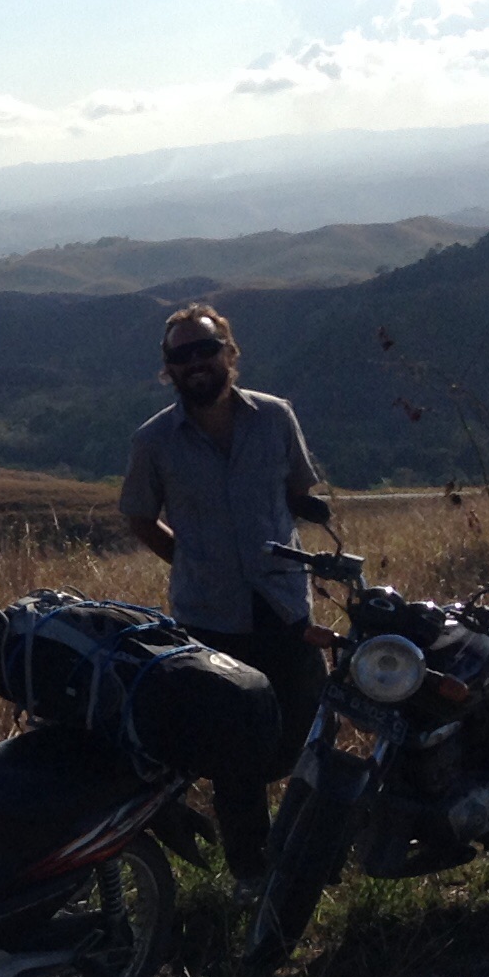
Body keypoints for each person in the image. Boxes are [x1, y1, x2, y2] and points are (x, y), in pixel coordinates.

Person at [117, 304, 328, 902]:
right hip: (210, 619)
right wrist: (190, 562)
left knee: (309, 731)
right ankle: (251, 873)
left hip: (284, 607)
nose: (195, 363)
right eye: (181, 355)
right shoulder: (154, 441)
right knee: (235, 752)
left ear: (229, 353)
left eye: (205, 350)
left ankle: (311, 846)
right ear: (168, 368)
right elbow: (140, 517)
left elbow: (299, 490)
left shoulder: (276, 417)